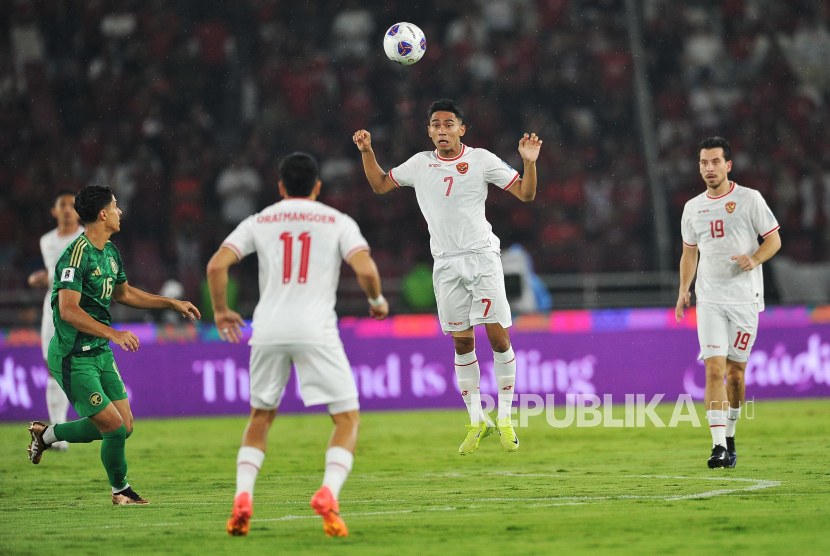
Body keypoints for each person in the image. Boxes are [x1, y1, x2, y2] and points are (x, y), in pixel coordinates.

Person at [207, 152, 388, 538]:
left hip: (268, 328)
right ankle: (328, 494)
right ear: (318, 186)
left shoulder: (260, 220)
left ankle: (242, 498)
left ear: (280, 186)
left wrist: (222, 311)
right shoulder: (339, 222)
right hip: (315, 328)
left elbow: (216, 266)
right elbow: (367, 269)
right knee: (346, 418)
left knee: (260, 418)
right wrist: (376, 302)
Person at [353, 98, 542, 455]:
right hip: (445, 264)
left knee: (499, 339)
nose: (442, 130)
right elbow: (379, 184)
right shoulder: (419, 164)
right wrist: (367, 151)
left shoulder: (481, 160)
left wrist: (529, 164)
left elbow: (526, 193)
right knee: (461, 342)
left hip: (482, 259)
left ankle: (504, 418)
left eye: (449, 124)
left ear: (461, 129)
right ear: (429, 131)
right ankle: (476, 421)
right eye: (436, 125)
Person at [26, 185, 201, 504]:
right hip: (72, 355)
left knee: (124, 426)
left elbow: (125, 294)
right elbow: (67, 309)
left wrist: (172, 304)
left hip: (99, 353)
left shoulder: (110, 251)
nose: (120, 211)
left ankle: (47, 434)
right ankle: (121, 491)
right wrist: (113, 333)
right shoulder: (75, 255)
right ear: (103, 214)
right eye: (116, 206)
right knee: (113, 427)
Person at [676, 137, 781, 469]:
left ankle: (731, 434)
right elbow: (689, 253)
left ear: (728, 165)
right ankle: (718, 446)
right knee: (714, 369)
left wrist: (754, 258)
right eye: (704, 163)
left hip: (745, 300)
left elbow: (774, 240)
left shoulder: (749, 199)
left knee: (735, 375)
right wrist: (683, 290)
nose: (709, 168)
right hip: (709, 300)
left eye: (715, 162)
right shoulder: (693, 207)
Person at [27, 190, 84, 452]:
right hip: (52, 309)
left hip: (80, 308)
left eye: (72, 205)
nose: (68, 209)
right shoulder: (46, 240)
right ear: (54, 211)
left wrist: (49, 275)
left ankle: (96, 422)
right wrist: (40, 278)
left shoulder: (86, 237)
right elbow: (56, 272)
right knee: (52, 366)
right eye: (63, 204)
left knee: (78, 366)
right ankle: (57, 431)